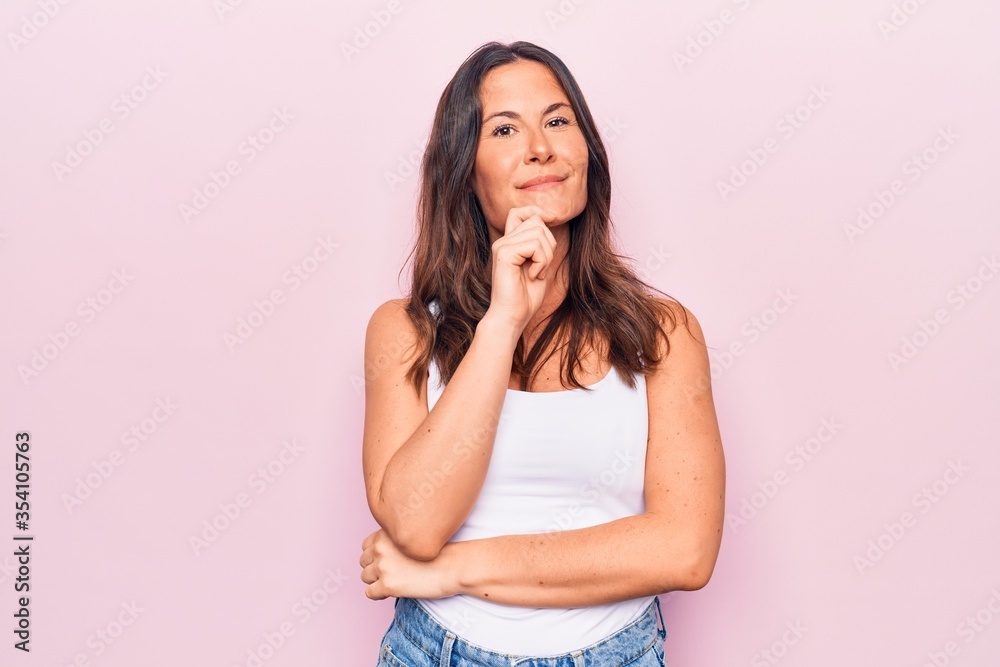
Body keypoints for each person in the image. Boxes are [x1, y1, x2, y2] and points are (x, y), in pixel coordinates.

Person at [359, 40, 725, 667]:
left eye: (558, 120)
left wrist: (451, 570)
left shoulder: (664, 333)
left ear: (588, 153)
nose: (540, 148)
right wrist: (503, 321)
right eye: (504, 129)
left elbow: (684, 551)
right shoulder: (406, 331)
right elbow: (415, 525)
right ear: (465, 170)